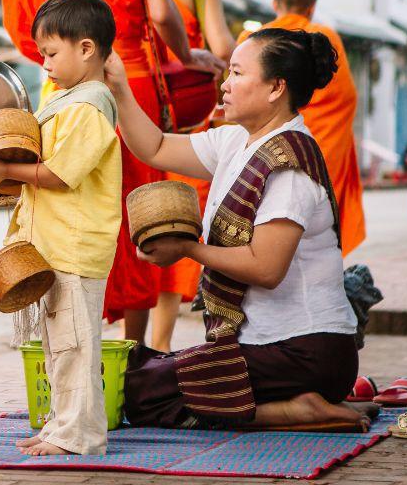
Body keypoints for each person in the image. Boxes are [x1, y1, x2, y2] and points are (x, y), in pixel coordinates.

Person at [2, 0, 221, 345]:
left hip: (60, 88)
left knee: (62, 198)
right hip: (130, 84)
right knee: (133, 210)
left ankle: (68, 336)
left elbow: (21, 28)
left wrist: (61, 64)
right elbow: (163, 13)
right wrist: (190, 57)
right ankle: (134, 348)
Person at [116, 29, 368, 433]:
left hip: (304, 352)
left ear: (275, 87)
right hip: (267, 348)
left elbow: (266, 269)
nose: (225, 84)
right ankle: (293, 404)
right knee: (139, 368)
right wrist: (118, 87)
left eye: (236, 73)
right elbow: (155, 147)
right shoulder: (238, 141)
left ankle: (294, 411)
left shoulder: (290, 165)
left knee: (144, 392)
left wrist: (187, 249)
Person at [0, 0, 123, 457]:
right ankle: (62, 424)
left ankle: (80, 434)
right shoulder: (66, 100)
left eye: (52, 53)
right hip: (53, 245)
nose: (47, 65)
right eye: (42, 55)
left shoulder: (89, 106)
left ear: (86, 49)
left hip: (76, 247)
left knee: (76, 347)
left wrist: (6, 173)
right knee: (58, 347)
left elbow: (59, 173)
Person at [131, 0, 233, 352]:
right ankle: (161, 344)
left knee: (131, 222)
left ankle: (130, 343)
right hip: (186, 124)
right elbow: (225, 48)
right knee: (175, 222)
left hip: (131, 112)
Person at [251, 0, 367, 254]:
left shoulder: (253, 39)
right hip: (321, 146)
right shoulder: (325, 39)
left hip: (267, 147)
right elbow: (345, 98)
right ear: (312, 7)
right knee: (318, 208)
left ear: (274, 3)